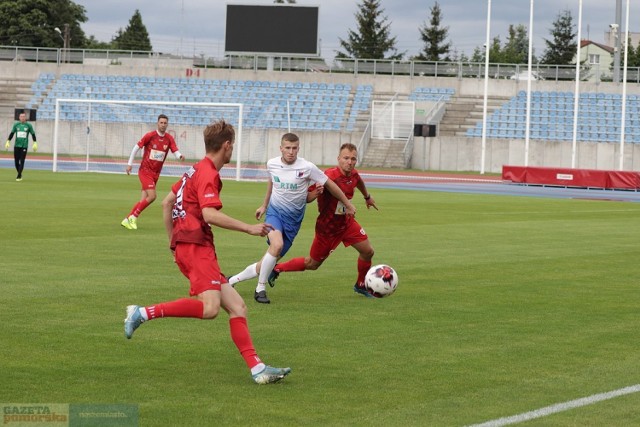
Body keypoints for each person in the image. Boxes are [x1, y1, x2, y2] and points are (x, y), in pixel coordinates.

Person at [123, 119, 291, 385]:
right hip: (196, 246)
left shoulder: (194, 170)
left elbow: (167, 204)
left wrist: (173, 243)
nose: (232, 149)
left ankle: (257, 369)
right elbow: (209, 214)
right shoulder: (209, 173)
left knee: (238, 307)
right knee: (211, 308)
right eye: (232, 145)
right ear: (226, 146)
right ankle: (142, 313)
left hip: (189, 245)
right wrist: (249, 228)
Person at [227, 133, 356, 304]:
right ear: (281, 148)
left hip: (293, 223)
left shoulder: (307, 167)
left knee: (267, 262)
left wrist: (347, 203)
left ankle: (231, 281)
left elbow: (329, 185)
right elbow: (271, 183)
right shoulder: (272, 164)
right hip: (275, 214)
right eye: (287, 148)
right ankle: (260, 289)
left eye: (294, 148)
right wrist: (264, 206)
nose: (291, 152)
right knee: (277, 244)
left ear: (298, 149)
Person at [268, 143, 378, 297]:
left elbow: (358, 181)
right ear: (338, 159)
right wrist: (315, 194)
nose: (350, 162)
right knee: (312, 264)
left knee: (368, 252)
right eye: (346, 158)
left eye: (353, 159)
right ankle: (277, 268)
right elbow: (306, 197)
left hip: (346, 224)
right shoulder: (328, 177)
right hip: (327, 229)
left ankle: (360, 285)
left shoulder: (353, 174)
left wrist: (367, 197)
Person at [121, 114, 184, 230]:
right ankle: (133, 217)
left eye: (165, 123)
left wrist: (179, 156)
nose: (163, 125)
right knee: (153, 196)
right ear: (157, 123)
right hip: (145, 171)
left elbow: (175, 150)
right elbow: (136, 147)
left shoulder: (169, 138)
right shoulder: (150, 136)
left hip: (156, 173)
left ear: (167, 124)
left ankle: (127, 219)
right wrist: (129, 164)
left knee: (143, 200)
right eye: (161, 123)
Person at [5, 112, 37, 181]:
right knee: (16, 162)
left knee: (22, 161)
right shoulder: (16, 125)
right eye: (21, 116)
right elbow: (12, 133)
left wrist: (35, 142)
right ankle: (20, 173)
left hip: (24, 146)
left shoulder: (29, 125)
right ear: (19, 118)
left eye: (24, 116)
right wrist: (8, 141)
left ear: (25, 118)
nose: (22, 118)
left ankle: (19, 176)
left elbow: (33, 134)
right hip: (16, 145)